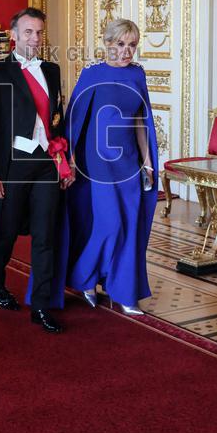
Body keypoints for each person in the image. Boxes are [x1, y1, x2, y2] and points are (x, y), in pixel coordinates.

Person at [0, 7, 73, 334]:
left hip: (46, 164)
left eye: (39, 32)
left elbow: (56, 121)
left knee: (46, 235)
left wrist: (63, 162)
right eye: (28, 32)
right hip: (12, 166)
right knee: (5, 232)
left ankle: (41, 305)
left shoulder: (53, 69)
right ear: (14, 36)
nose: (35, 38)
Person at [60, 18, 158, 316]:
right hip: (97, 162)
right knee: (110, 224)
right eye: (121, 44)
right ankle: (85, 278)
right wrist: (72, 161)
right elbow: (75, 120)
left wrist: (148, 162)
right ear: (108, 43)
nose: (127, 51)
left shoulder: (137, 75)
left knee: (129, 226)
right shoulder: (92, 74)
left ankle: (126, 293)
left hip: (128, 161)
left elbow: (141, 122)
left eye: (132, 45)